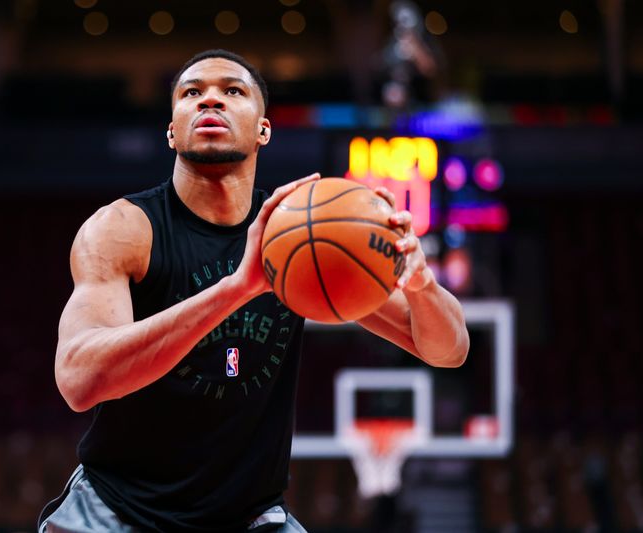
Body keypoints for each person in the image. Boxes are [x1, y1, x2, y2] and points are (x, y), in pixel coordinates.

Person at [38, 49, 469, 532]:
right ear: (171, 130)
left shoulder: (300, 235)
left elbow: (448, 349)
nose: (210, 101)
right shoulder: (123, 230)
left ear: (264, 128)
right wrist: (237, 288)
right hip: (117, 512)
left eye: (233, 91)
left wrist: (419, 281)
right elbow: (79, 380)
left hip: (248, 518)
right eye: (192, 93)